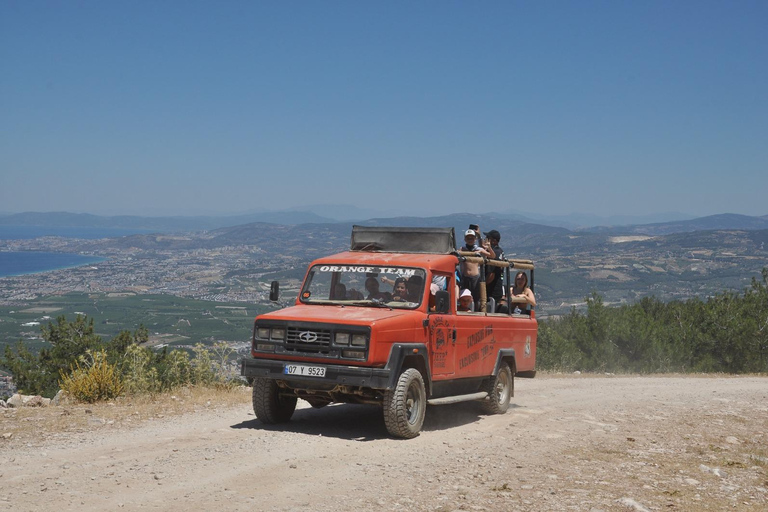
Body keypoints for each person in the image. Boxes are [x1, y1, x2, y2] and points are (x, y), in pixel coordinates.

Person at [459, 229, 491, 306]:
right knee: (464, 297)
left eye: (472, 238)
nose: (470, 240)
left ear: (475, 239)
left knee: (476, 298)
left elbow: (491, 256)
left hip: (475, 277)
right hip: (465, 277)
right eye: (468, 238)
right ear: (465, 239)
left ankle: (477, 311)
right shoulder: (462, 249)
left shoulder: (478, 249)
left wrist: (485, 249)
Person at [483, 230, 504, 310]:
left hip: (492, 290)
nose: (486, 239)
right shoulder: (499, 251)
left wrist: (483, 285)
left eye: (488, 238)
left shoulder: (493, 253)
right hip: (497, 288)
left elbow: (492, 274)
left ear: (494, 241)